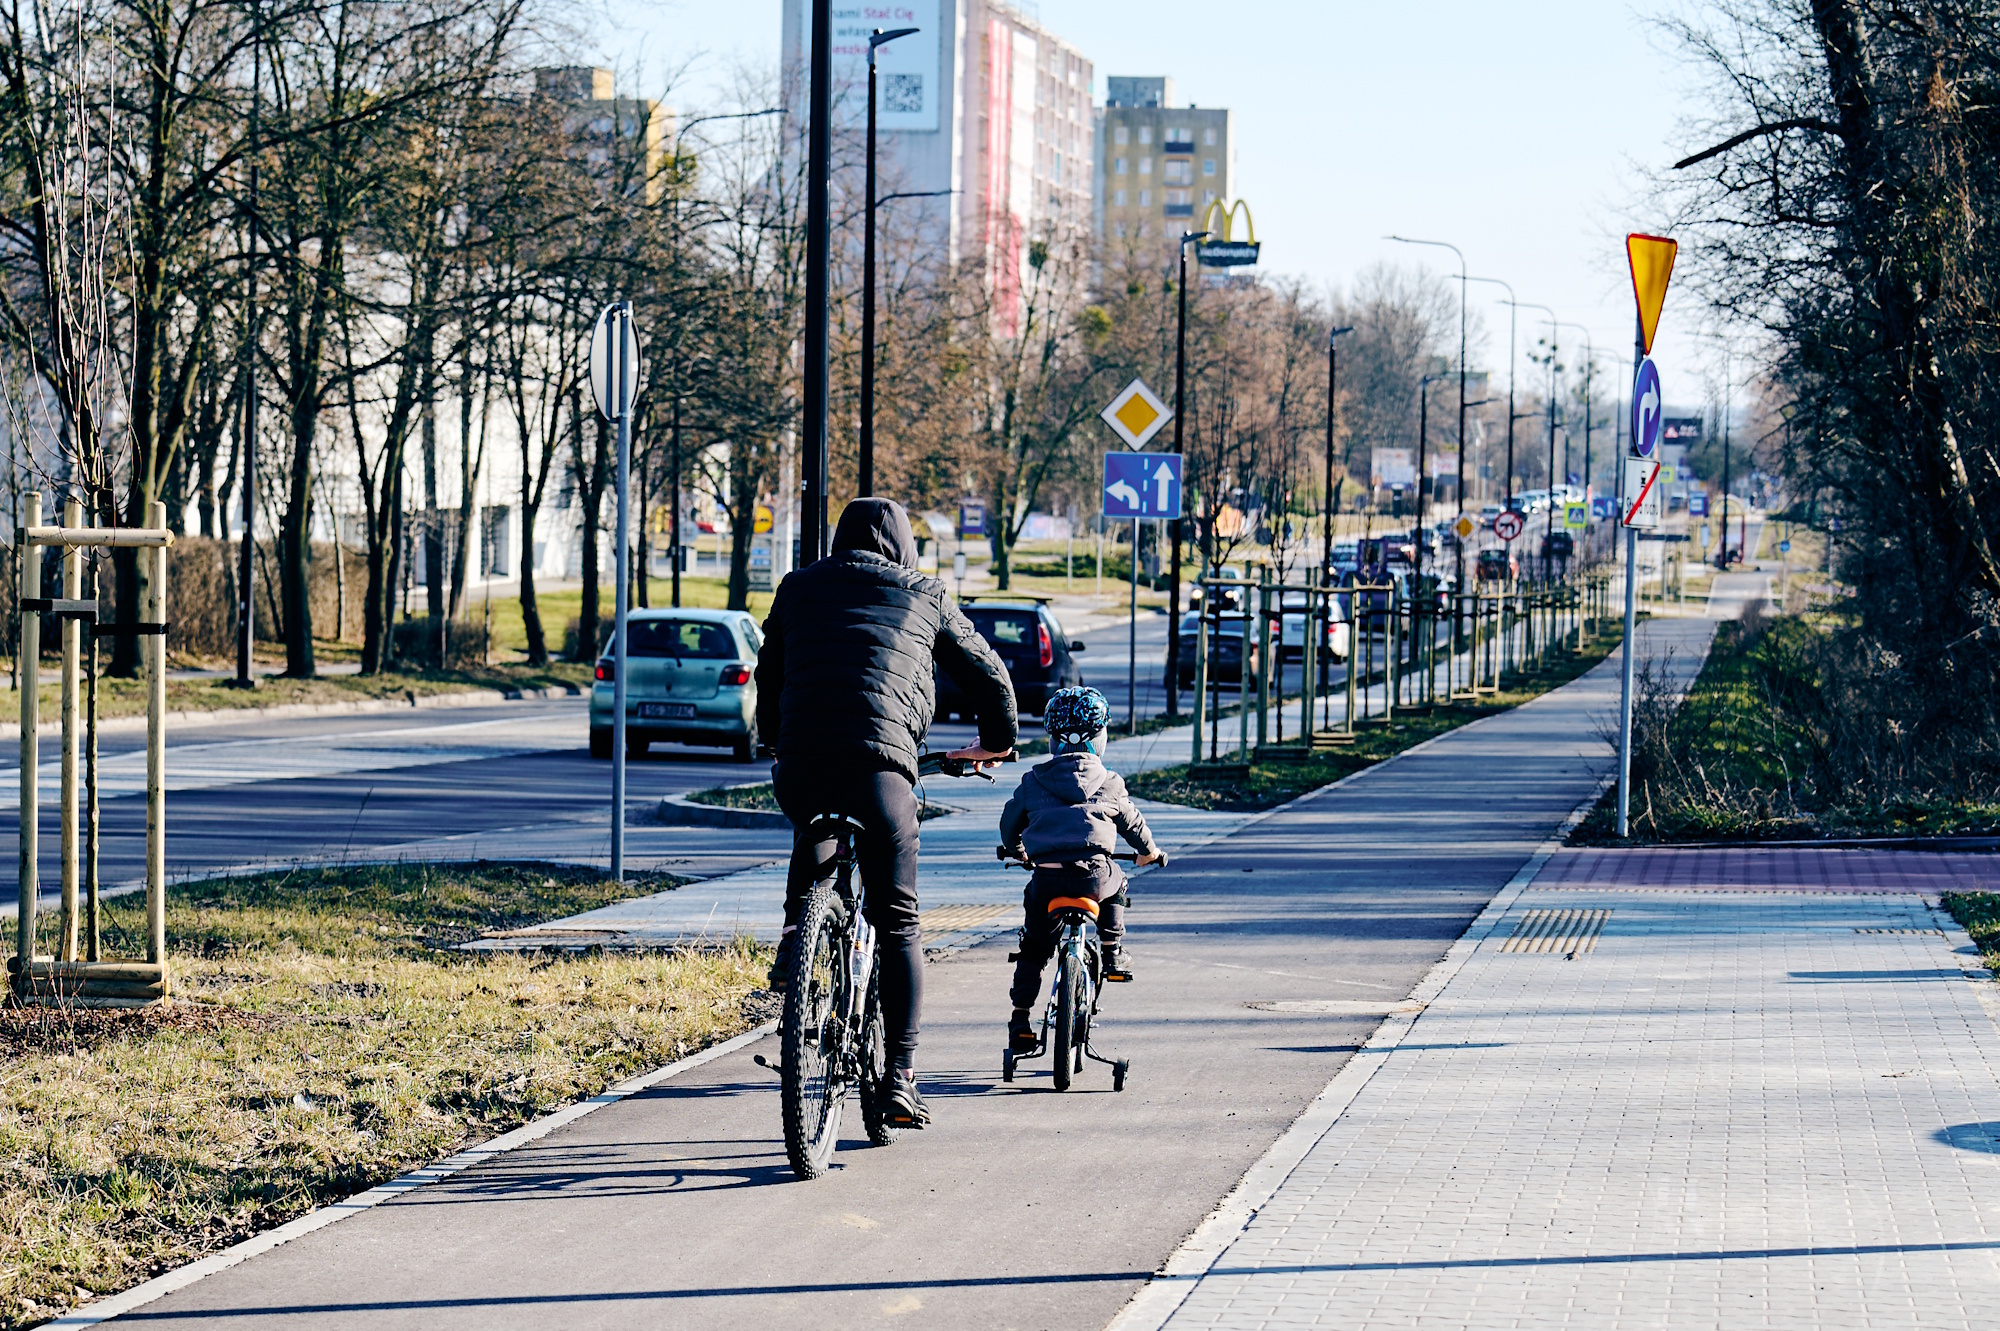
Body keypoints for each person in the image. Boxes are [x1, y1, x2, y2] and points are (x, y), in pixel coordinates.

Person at [754, 498, 1016, 1128]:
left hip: (801, 764)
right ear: (902, 544)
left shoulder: (796, 587)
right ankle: (899, 1075)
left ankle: (797, 937)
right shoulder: (924, 592)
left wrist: (774, 736)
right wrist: (998, 740)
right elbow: (988, 673)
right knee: (897, 919)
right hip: (882, 771)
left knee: (814, 826)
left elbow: (769, 671)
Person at [997, 686, 1164, 1055]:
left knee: (1034, 948)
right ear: (1100, 737)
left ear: (1053, 737)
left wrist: (1018, 851)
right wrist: (1149, 852)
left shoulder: (1034, 780)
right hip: (1095, 878)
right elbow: (1134, 826)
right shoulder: (1110, 783)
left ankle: (1021, 1018)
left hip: (1047, 879)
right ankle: (1112, 948)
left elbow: (1010, 824)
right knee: (1117, 882)